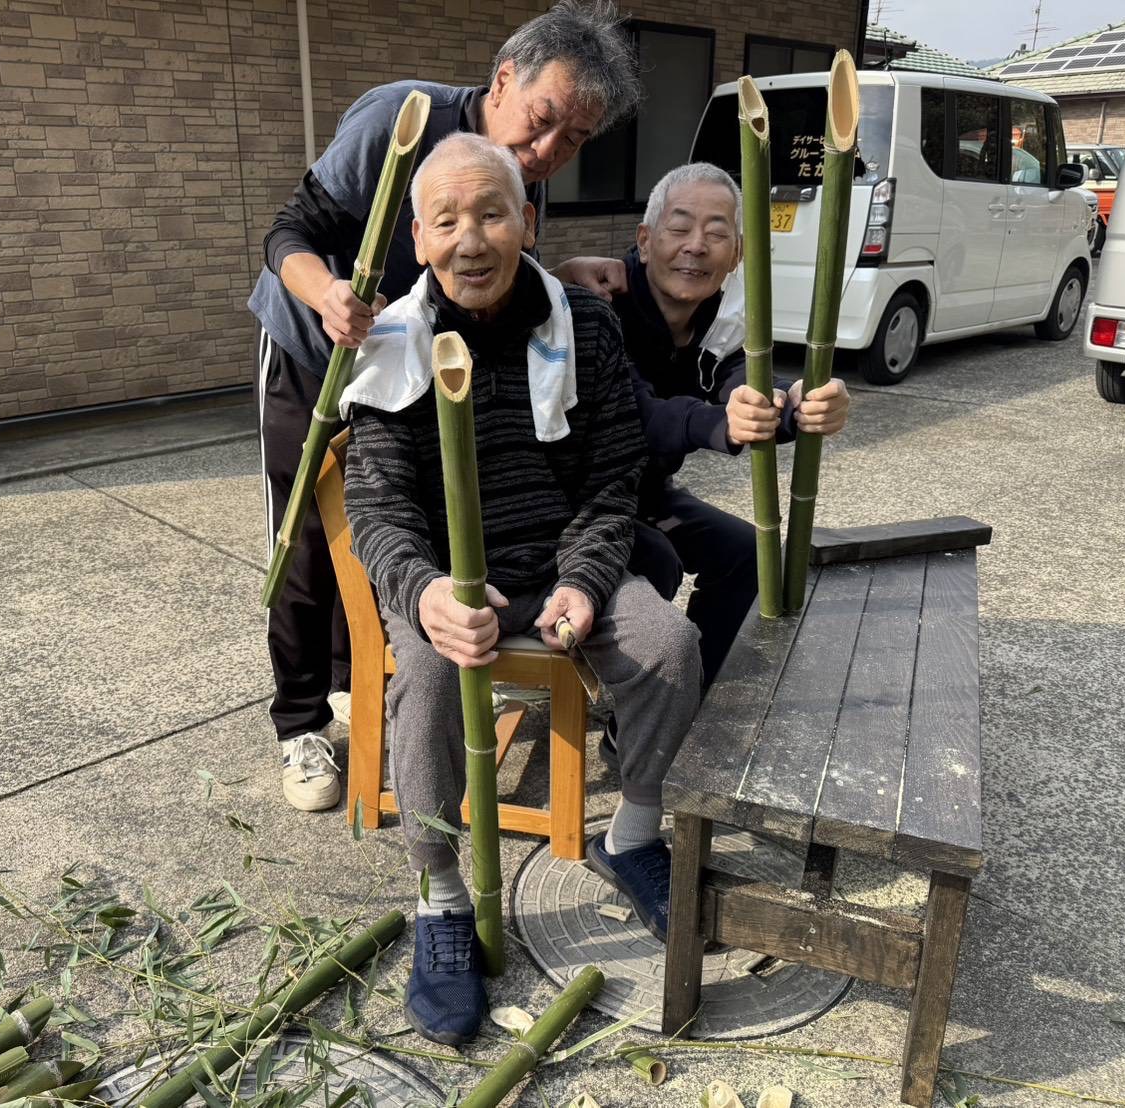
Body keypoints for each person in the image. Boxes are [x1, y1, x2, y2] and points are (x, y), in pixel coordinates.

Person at [340, 133, 703, 1046]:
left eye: (491, 215)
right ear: (418, 239)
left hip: (558, 563)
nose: (471, 240)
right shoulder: (391, 341)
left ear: (528, 224)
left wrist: (584, 580)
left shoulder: (582, 326)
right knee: (427, 677)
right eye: (446, 221)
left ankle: (632, 836)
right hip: (443, 579)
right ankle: (440, 894)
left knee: (669, 644)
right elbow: (376, 506)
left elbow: (613, 476)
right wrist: (425, 592)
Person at [249, 0, 641, 813]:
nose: (547, 150)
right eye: (541, 120)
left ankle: (357, 682)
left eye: (573, 140)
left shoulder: (523, 178)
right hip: (316, 350)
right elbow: (289, 231)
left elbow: (504, 268)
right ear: (503, 79)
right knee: (310, 539)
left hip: (410, 366)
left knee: (393, 524)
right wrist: (327, 296)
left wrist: (562, 272)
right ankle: (299, 722)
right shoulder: (401, 119)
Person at [614, 162, 850, 694]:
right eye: (679, 228)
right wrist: (720, 423)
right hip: (582, 502)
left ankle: (690, 694)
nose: (696, 246)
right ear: (646, 241)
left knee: (747, 554)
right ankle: (636, 710)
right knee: (656, 561)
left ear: (737, 254)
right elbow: (638, 413)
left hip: (647, 494)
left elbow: (741, 376)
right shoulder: (603, 306)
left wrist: (797, 404)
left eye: (717, 234)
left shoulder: (718, 317)